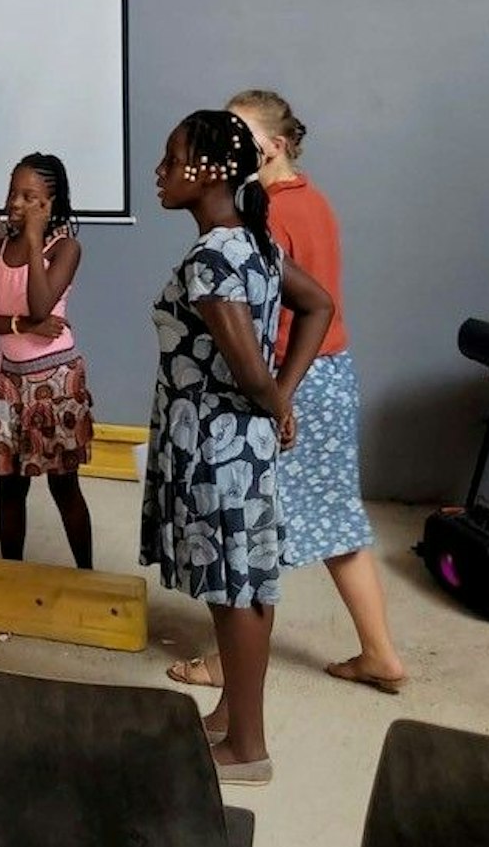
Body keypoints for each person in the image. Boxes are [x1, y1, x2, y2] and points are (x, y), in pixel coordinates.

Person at [164, 90, 406, 694]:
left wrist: (279, 395)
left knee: (249, 531)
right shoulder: (312, 201)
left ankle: (229, 663)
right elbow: (317, 300)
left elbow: (263, 314)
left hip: (290, 379)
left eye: (237, 136)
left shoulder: (264, 218)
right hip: (330, 372)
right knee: (334, 519)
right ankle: (380, 652)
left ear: (267, 148)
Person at [143, 109, 332, 786]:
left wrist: (278, 397)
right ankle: (231, 714)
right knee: (242, 582)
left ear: (210, 172)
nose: (160, 173)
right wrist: (279, 395)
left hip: (220, 444)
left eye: (171, 159)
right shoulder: (251, 244)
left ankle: (247, 746)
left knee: (236, 586)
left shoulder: (212, 256)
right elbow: (319, 306)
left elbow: (247, 365)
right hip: (236, 441)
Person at [0, 153, 96, 569]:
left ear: (50, 205)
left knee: (64, 485)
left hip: (57, 379)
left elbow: (43, 305)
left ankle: (86, 573)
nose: (16, 203)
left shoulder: (66, 249)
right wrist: (22, 325)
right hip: (10, 380)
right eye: (12, 193)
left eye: (29, 196)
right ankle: (13, 575)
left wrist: (37, 239)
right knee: (10, 486)